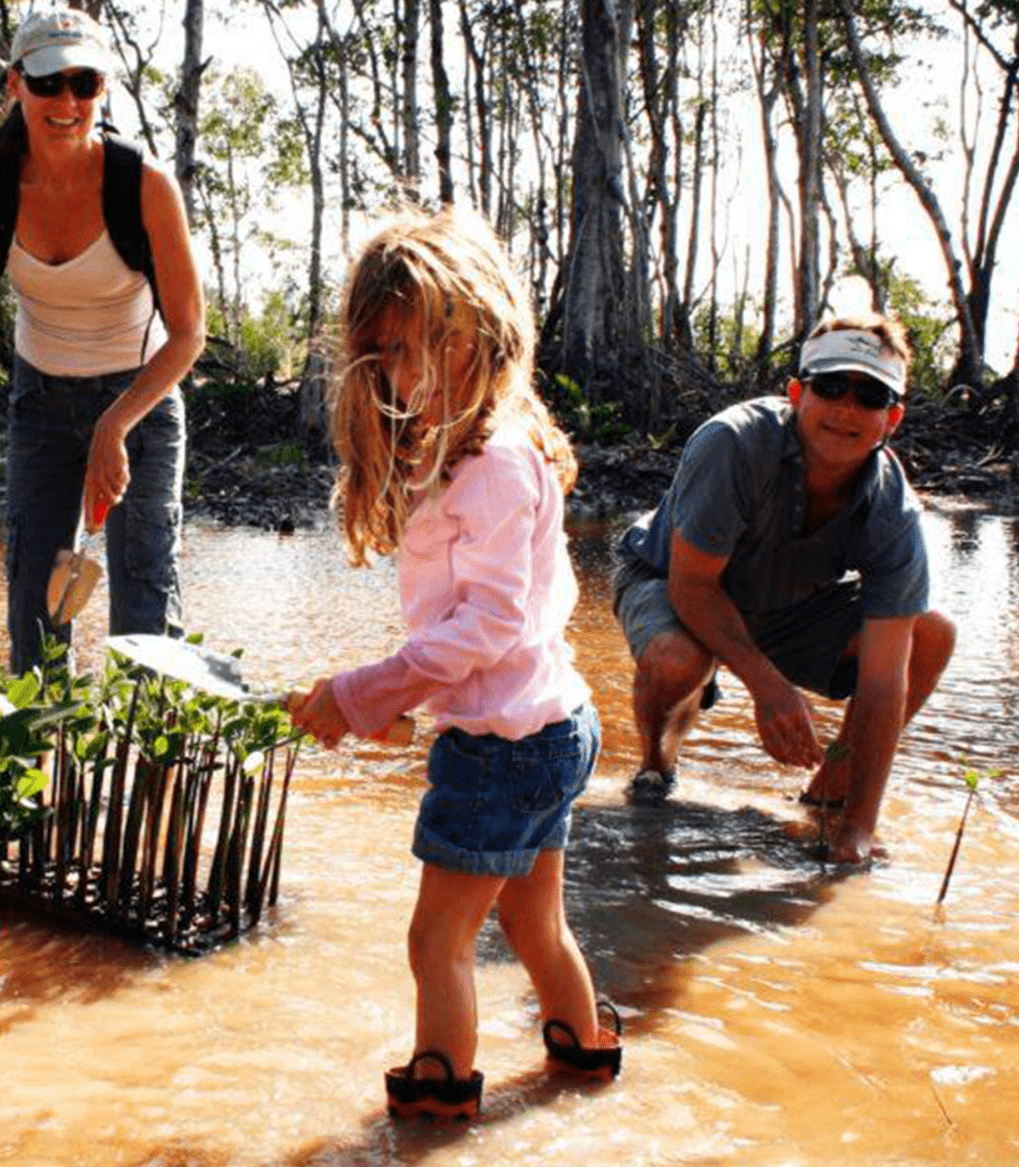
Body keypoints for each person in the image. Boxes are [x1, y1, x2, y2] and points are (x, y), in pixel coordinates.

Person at [289, 210, 619, 1121]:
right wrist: (394, 700)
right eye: (389, 352)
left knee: (437, 939)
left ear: (485, 334)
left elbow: (484, 627)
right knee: (531, 921)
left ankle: (437, 1110)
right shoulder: (475, 451)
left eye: (433, 343)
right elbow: (482, 635)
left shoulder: (496, 465)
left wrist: (361, 694)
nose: (408, 373)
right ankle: (584, 1059)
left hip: (509, 744)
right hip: (545, 724)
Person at [612, 312, 956, 864]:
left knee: (932, 634)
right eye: (830, 387)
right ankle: (656, 766)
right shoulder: (733, 443)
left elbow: (887, 678)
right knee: (679, 660)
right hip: (672, 579)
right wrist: (768, 686)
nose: (846, 409)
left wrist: (860, 829)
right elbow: (693, 585)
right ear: (798, 393)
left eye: (869, 396)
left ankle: (829, 794)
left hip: (785, 604)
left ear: (892, 418)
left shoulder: (894, 508)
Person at [0, 5, 205, 673]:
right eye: (49, 82)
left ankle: (148, 770)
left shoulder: (144, 183)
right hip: (41, 401)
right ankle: (42, 762)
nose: (66, 102)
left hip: (139, 400)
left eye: (84, 84)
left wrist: (114, 425)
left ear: (102, 90)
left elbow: (190, 333)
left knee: (144, 612)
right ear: (16, 85)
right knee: (37, 603)